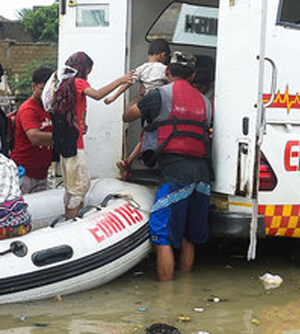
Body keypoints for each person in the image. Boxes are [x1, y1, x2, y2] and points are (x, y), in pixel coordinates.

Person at [123, 51, 212, 282]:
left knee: (161, 235)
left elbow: (127, 116)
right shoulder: (205, 102)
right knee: (189, 236)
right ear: (192, 76)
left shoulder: (159, 95)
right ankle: (185, 291)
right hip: (202, 176)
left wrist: (139, 95)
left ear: (167, 72)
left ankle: (166, 296)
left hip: (175, 173)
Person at [50, 51, 135, 218]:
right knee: (79, 188)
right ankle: (72, 223)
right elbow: (97, 95)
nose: (88, 75)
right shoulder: (78, 82)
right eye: (88, 71)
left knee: (71, 187)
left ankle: (69, 219)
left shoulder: (62, 84)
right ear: (83, 68)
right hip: (75, 144)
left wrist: (81, 124)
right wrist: (120, 80)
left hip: (65, 142)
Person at [111, 40, 171, 176]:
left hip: (144, 105)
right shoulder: (165, 69)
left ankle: (129, 161)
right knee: (156, 134)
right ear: (163, 55)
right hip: (159, 104)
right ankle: (135, 161)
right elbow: (171, 86)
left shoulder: (142, 68)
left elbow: (128, 82)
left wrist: (113, 97)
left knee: (146, 132)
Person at [11, 67, 54, 193]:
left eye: (50, 90)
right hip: (24, 172)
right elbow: (34, 137)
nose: (47, 94)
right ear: (33, 87)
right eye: (43, 89)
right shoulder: (28, 109)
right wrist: (64, 136)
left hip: (41, 172)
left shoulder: (48, 108)